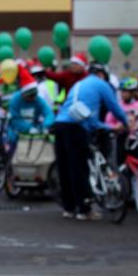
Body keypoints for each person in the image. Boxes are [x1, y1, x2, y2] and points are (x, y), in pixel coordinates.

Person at [53, 62, 128, 220]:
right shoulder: (101, 85)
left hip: (60, 124)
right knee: (79, 168)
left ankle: (69, 208)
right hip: (76, 127)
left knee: (64, 168)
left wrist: (103, 126)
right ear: (102, 74)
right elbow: (114, 107)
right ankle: (84, 209)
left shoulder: (78, 84)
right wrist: (125, 123)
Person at [7, 67, 54, 148]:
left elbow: (49, 113)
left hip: (35, 133)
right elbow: (15, 119)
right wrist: (29, 129)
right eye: (30, 96)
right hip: (17, 134)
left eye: (34, 95)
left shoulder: (38, 100)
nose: (33, 98)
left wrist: (45, 126)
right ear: (24, 94)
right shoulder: (15, 100)